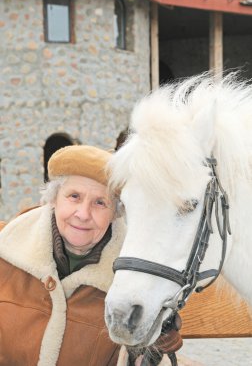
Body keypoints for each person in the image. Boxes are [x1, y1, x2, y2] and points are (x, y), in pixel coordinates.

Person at [0, 144, 182, 366]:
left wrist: (155, 333)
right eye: (74, 196)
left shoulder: (133, 279)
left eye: (100, 203)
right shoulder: (6, 253)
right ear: (54, 200)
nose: (84, 214)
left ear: (115, 213)